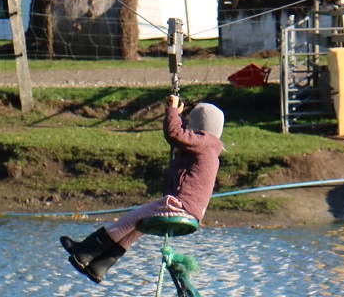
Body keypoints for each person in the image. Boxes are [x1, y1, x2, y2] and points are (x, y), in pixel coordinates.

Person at [60, 96, 224, 283]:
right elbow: (183, 139)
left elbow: (174, 134)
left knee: (131, 219)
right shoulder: (210, 149)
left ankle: (85, 252)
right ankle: (100, 266)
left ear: (199, 125)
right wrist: (177, 116)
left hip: (179, 204)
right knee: (137, 228)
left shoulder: (203, 143)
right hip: (192, 211)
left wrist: (171, 112)